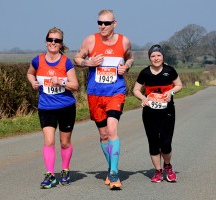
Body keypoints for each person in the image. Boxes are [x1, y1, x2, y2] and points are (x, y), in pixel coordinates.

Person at [74, 9, 134, 190]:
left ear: (114, 24)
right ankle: (111, 167)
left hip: (116, 91)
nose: (102, 26)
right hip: (95, 93)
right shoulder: (90, 40)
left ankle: (114, 173)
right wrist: (88, 63)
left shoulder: (124, 41)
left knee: (113, 128)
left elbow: (130, 57)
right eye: (99, 23)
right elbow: (77, 58)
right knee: (103, 134)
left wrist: (127, 66)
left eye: (106, 23)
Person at [27, 27, 79, 189]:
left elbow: (75, 85)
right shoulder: (38, 60)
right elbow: (29, 73)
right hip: (46, 107)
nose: (53, 43)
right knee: (49, 140)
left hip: (66, 107)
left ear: (61, 43)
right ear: (46, 41)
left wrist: (61, 82)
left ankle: (65, 171)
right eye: (50, 40)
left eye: (57, 41)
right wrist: (33, 82)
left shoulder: (66, 62)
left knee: (64, 142)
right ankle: (50, 175)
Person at [133, 44, 182, 183]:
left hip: (167, 111)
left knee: (166, 143)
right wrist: (143, 98)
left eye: (158, 55)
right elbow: (136, 90)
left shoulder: (170, 70)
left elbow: (179, 85)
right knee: (153, 143)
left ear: (163, 57)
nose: (156, 58)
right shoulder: (145, 73)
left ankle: (168, 166)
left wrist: (170, 92)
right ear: (149, 58)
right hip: (149, 112)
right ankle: (158, 171)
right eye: (153, 56)